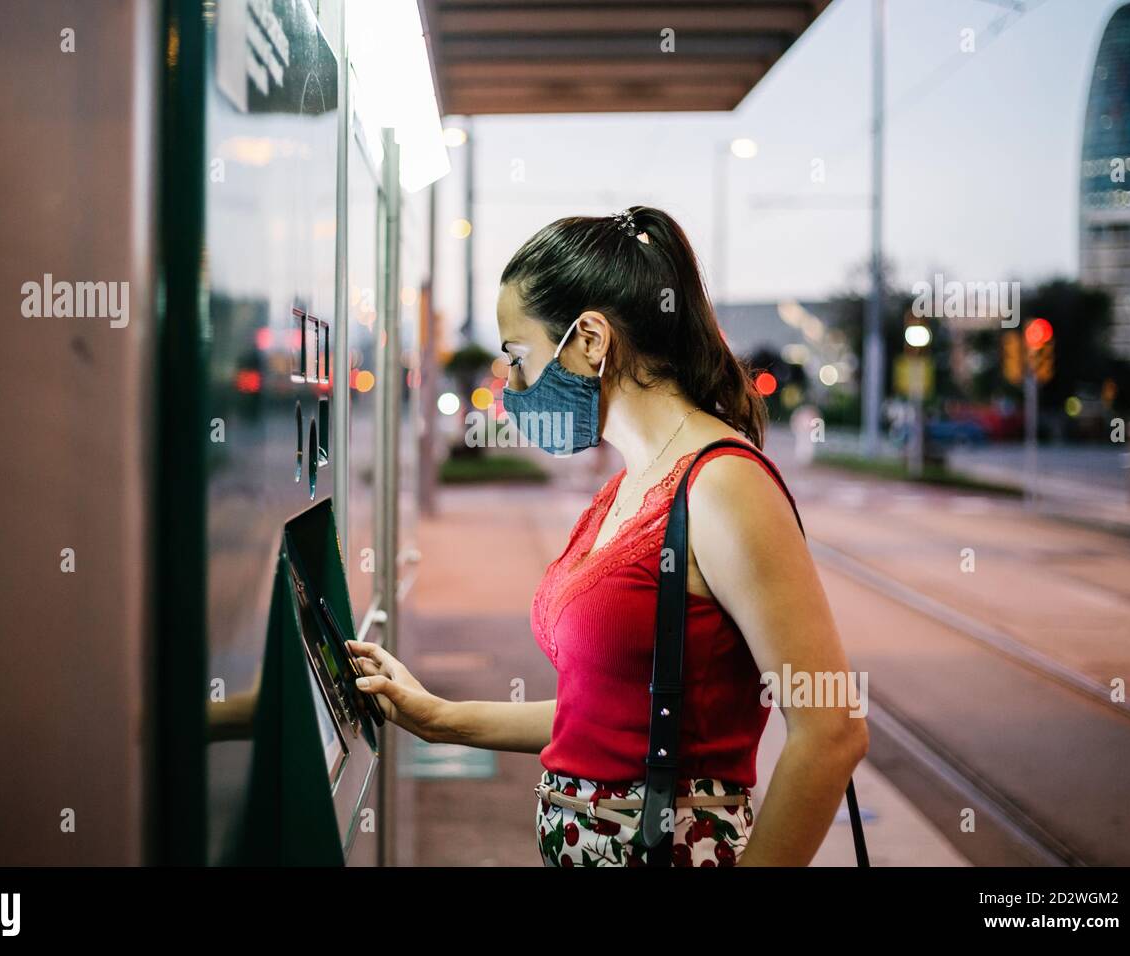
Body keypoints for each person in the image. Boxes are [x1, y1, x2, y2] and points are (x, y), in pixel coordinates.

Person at [350, 206, 868, 867]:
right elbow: (606, 710)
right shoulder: (631, 485)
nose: (510, 386)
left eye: (518, 357)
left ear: (591, 340)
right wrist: (435, 716)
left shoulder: (724, 486)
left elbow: (831, 733)